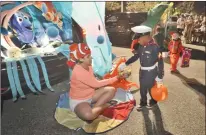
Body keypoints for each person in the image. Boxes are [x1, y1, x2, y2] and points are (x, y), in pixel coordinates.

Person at [68, 43, 123, 122]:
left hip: (91, 95)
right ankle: (106, 105)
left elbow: (93, 80)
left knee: (112, 90)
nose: (91, 58)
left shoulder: (88, 65)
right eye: (88, 57)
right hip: (79, 101)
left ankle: (95, 108)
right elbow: (96, 84)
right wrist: (116, 77)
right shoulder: (78, 71)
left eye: (90, 55)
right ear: (81, 59)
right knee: (88, 115)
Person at [119, 25, 164, 110]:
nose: (137, 41)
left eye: (139, 39)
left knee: (151, 88)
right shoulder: (141, 46)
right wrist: (126, 63)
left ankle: (153, 101)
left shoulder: (155, 47)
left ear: (145, 37)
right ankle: (143, 102)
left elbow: (160, 62)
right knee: (143, 88)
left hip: (151, 72)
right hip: (142, 71)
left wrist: (160, 76)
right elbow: (136, 56)